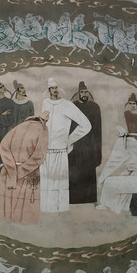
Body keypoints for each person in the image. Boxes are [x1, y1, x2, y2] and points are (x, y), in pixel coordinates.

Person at [40, 78, 91, 212]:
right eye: (52, 88)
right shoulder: (45, 103)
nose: (55, 90)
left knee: (59, 181)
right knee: (46, 181)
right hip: (45, 150)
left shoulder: (67, 105)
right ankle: (46, 209)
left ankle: (59, 210)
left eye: (56, 87)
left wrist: (69, 140)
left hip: (60, 151)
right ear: (49, 90)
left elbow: (86, 125)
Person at [0, 112, 49, 224]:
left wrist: (12, 171)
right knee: (24, 210)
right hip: (28, 173)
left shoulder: (17, 127)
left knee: (7, 207)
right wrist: (20, 172)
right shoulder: (43, 130)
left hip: (9, 171)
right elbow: (39, 156)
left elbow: (4, 147)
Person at [97, 126, 137, 214]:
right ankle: (117, 205)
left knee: (108, 182)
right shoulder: (133, 142)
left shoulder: (124, 143)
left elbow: (112, 163)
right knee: (120, 181)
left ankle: (106, 205)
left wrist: (101, 179)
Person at [68, 82, 102, 204]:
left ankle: (89, 199)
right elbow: (69, 128)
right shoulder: (73, 107)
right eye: (82, 92)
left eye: (85, 92)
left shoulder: (95, 107)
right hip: (76, 146)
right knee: (75, 173)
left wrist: (97, 153)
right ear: (78, 93)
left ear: (88, 93)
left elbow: (98, 131)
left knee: (88, 173)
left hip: (89, 147)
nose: (84, 94)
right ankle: (74, 199)